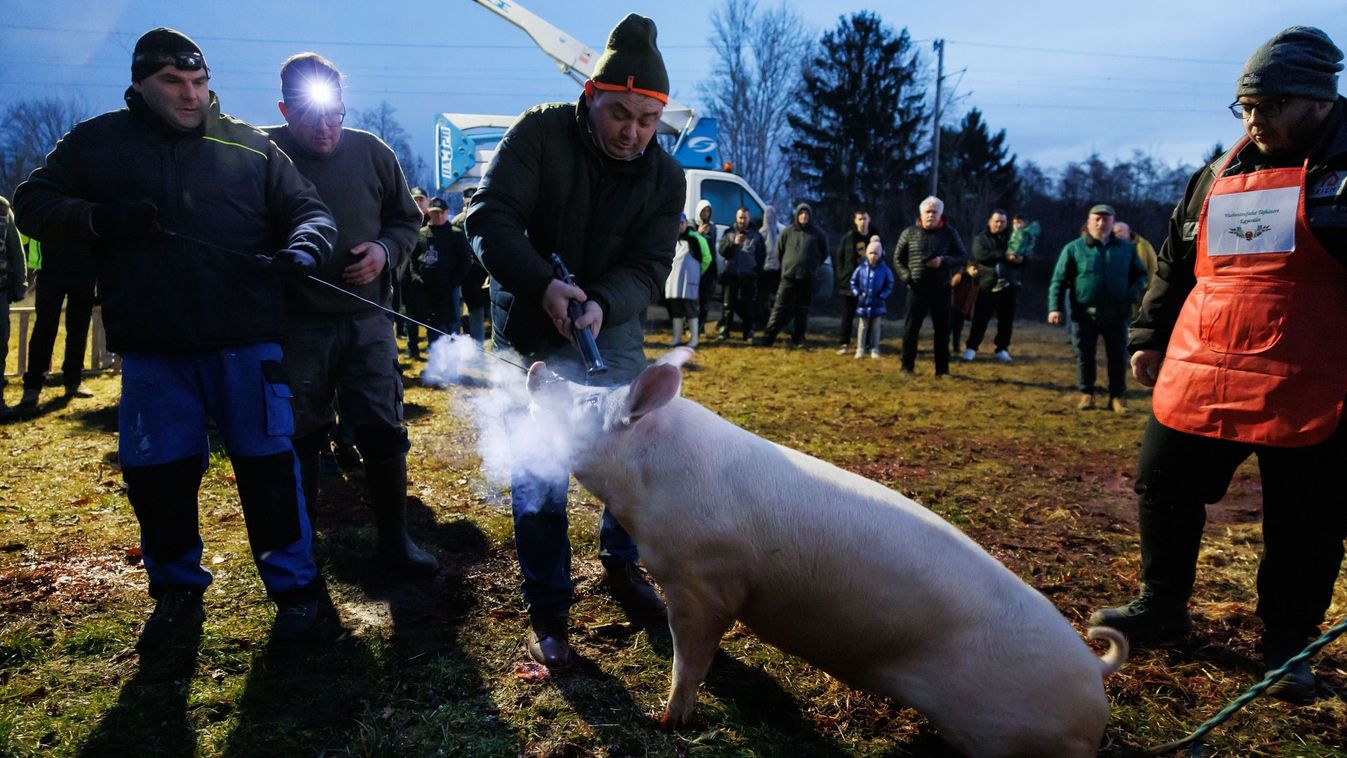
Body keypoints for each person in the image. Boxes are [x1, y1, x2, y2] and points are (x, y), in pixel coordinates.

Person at [12, 27, 336, 646]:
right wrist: (100, 220)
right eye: (173, 83)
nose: (190, 96)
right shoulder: (98, 144)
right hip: (154, 346)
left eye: (199, 82)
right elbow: (33, 202)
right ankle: (177, 594)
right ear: (140, 83)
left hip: (247, 338)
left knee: (269, 468)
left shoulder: (249, 146)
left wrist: (305, 246)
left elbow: (309, 209)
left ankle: (295, 592)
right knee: (159, 475)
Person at [1090, 26, 1347, 704]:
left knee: (1305, 521)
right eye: (1243, 106)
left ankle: (1286, 645)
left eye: (1268, 105)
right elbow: (1176, 259)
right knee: (1161, 476)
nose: (1253, 120)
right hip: (1206, 363)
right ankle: (1161, 603)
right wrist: (1148, 333)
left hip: (1312, 378)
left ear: (1320, 101)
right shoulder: (1219, 170)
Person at [465, 13, 685, 669]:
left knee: (632, 461)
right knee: (538, 476)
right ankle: (549, 612)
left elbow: (649, 267)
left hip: (608, 338)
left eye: (646, 121)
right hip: (528, 334)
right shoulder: (538, 133)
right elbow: (489, 216)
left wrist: (601, 303)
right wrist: (542, 286)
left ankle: (623, 564)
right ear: (590, 98)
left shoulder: (663, 177)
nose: (632, 133)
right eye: (619, 115)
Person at [264, 52, 435, 578]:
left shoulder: (372, 152)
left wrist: (386, 251)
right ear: (285, 110)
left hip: (367, 321)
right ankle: (302, 547)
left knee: (383, 427)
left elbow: (408, 221)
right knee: (301, 435)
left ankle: (395, 540)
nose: (325, 126)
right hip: (297, 324)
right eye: (311, 114)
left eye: (334, 112)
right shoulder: (264, 154)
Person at [1047, 204, 1147, 412]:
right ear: (1089, 221)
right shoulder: (1074, 248)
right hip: (1083, 314)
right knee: (1084, 356)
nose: (1101, 223)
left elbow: (1141, 274)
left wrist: (1134, 292)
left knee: (1118, 356)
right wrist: (1054, 308)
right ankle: (1087, 394)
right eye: (1097, 219)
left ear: (1113, 222)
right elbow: (1059, 281)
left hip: (1117, 313)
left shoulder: (1126, 249)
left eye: (1106, 219)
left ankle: (1117, 397)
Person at [893, 196, 966, 376]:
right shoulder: (909, 232)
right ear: (921, 213)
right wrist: (907, 276)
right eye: (928, 212)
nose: (931, 215)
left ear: (941, 214)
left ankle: (942, 370)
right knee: (910, 329)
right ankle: (907, 367)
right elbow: (897, 259)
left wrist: (943, 261)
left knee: (942, 331)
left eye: (934, 212)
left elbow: (962, 256)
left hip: (941, 288)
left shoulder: (950, 233)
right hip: (916, 288)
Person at [754, 203, 827, 348]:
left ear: (810, 216)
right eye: (801, 213)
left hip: (807, 278)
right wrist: (788, 266)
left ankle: (798, 339)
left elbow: (823, 253)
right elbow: (779, 251)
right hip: (788, 277)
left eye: (806, 214)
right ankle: (768, 339)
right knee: (779, 308)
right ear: (797, 215)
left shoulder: (817, 234)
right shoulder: (787, 232)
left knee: (802, 310)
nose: (804, 216)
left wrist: (812, 265)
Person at [962, 209, 1019, 363]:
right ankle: (971, 348)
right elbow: (981, 256)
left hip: (1008, 285)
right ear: (990, 222)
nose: (999, 224)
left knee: (1006, 321)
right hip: (987, 285)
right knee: (980, 319)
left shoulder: (1013, 239)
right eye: (997, 221)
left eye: (1002, 222)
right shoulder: (981, 238)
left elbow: (1023, 259)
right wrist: (1005, 256)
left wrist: (1020, 259)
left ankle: (1002, 349)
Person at [833, 208, 877, 355]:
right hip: (850, 282)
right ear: (855, 221)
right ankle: (844, 343)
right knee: (848, 313)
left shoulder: (874, 238)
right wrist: (841, 275)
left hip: (870, 283)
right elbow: (839, 257)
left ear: (869, 219)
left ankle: (869, 344)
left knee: (869, 314)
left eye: (865, 218)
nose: (863, 222)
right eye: (860, 219)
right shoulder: (849, 237)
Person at [715, 206, 762, 341]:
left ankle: (748, 333)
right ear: (736, 218)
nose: (742, 220)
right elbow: (722, 252)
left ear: (749, 218)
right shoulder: (728, 233)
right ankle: (724, 331)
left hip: (748, 275)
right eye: (740, 217)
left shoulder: (756, 235)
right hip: (731, 274)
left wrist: (756, 270)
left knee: (748, 305)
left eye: (745, 217)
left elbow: (761, 255)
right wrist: (733, 244)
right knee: (728, 305)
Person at [665, 213, 710, 347]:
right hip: (674, 283)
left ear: (686, 223)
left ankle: (694, 339)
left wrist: (697, 273)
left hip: (689, 282)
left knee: (691, 310)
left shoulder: (696, 239)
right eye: (677, 223)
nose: (679, 225)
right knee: (676, 311)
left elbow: (706, 259)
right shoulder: (670, 240)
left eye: (682, 223)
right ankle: (676, 338)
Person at [0, 197, 25, 415]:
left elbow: (15, 249)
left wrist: (19, 283)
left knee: (0, 346)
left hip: (0, 291)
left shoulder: (2, 207)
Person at [850, 236, 894, 359]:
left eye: (876, 253)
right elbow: (853, 282)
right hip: (863, 303)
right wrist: (857, 293)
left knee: (875, 328)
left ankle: (875, 348)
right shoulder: (860, 269)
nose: (873, 256)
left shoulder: (885, 270)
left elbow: (890, 284)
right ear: (867, 253)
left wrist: (883, 295)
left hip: (878, 304)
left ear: (880, 254)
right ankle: (860, 348)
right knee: (862, 327)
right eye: (871, 253)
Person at [1114, 220, 1158, 321]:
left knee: (1136, 317)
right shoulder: (1113, 246)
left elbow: (1154, 266)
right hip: (1118, 291)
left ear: (1128, 232)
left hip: (1140, 289)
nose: (1117, 234)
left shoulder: (1143, 245)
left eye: (1120, 231)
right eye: (1115, 232)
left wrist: (1151, 289)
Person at [755, 204, 782, 328]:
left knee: (765, 297)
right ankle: (765, 320)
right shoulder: (774, 232)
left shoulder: (775, 232)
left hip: (769, 270)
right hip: (769, 270)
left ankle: (767, 321)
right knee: (765, 297)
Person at [694, 198, 717, 334]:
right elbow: (689, 245)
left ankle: (701, 326)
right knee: (692, 300)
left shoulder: (712, 227)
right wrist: (699, 234)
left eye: (708, 211)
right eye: (703, 211)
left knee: (705, 300)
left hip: (708, 269)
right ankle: (690, 326)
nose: (706, 213)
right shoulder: (691, 224)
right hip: (695, 267)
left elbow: (712, 249)